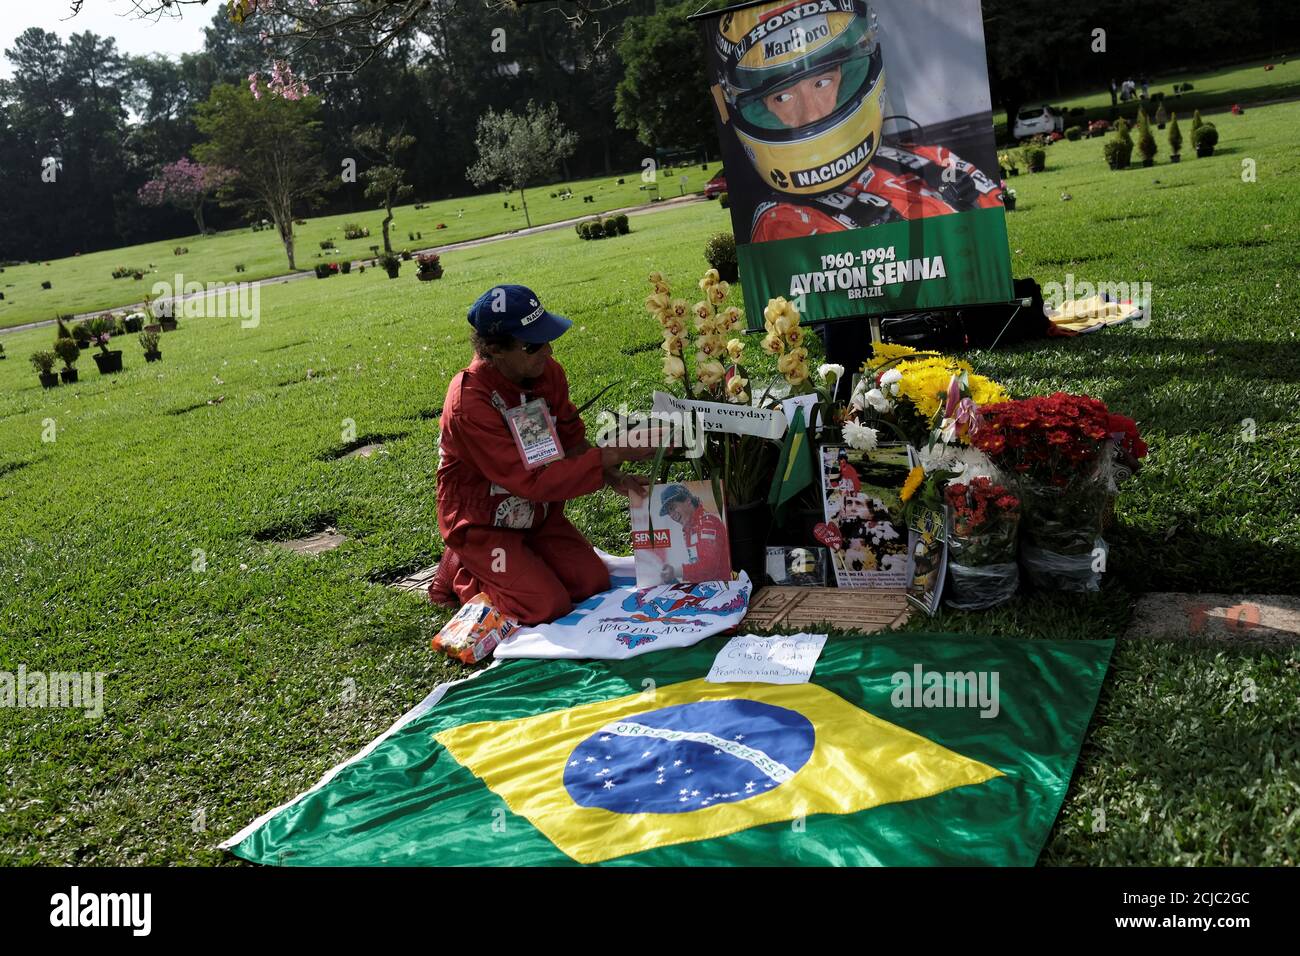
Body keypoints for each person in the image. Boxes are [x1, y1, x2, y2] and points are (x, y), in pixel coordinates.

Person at [429, 284, 653, 625]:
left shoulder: (546, 372)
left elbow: (573, 439)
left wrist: (614, 476)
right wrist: (616, 452)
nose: (548, 350)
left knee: (590, 583)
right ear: (494, 350)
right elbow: (530, 481)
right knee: (544, 605)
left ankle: (519, 561)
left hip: (535, 515)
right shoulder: (469, 403)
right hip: (483, 521)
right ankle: (461, 567)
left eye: (547, 336)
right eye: (533, 344)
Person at [708, 0, 1004, 242]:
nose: (811, 113)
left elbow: (996, 220)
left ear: (850, 75)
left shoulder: (929, 160)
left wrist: (971, 204)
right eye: (782, 97)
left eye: (822, 82)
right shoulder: (781, 221)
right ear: (758, 109)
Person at [656, 484, 731, 584]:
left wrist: (675, 572)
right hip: (707, 590)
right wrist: (673, 578)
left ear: (688, 500)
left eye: (673, 507)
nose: (672, 514)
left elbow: (709, 567)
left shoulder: (707, 523)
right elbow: (700, 571)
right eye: (669, 511)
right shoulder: (690, 528)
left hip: (720, 592)